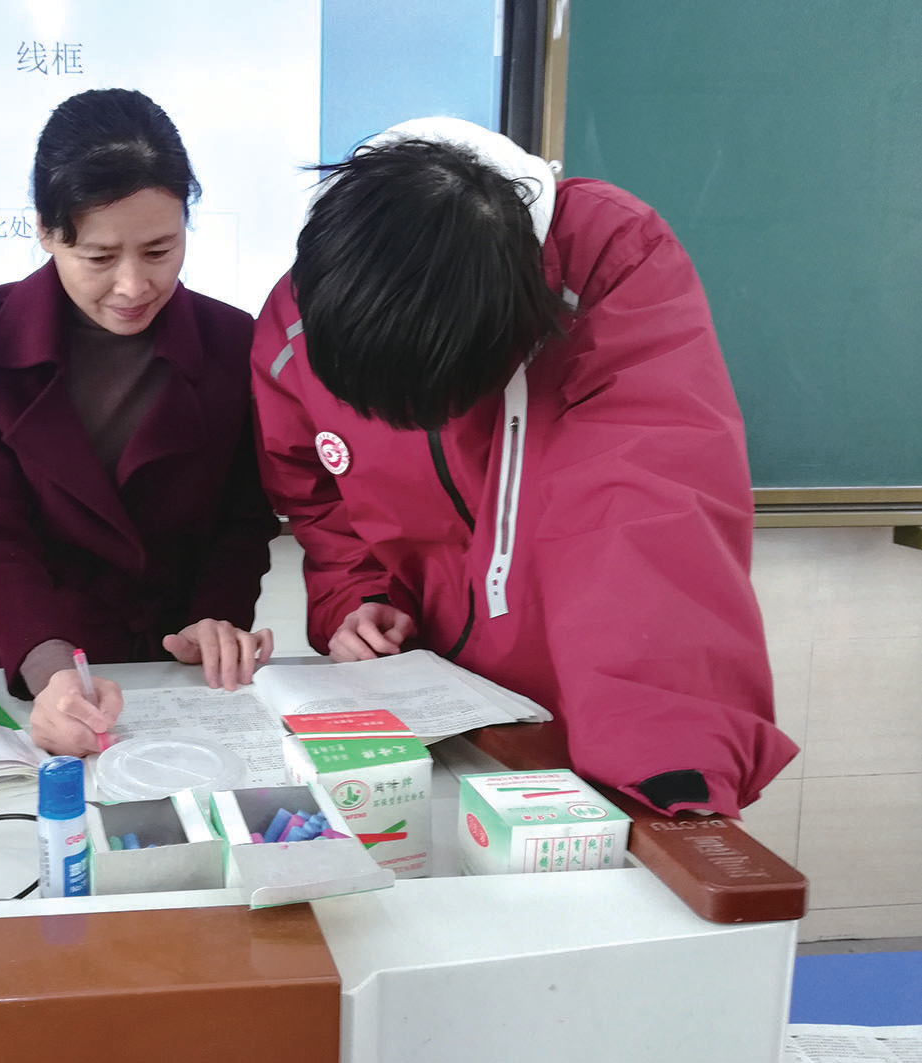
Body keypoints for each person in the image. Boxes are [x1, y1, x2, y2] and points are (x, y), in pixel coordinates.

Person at [250, 117, 798, 818]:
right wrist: (357, 600)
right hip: (425, 700)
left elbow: (648, 512)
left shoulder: (610, 264)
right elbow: (319, 498)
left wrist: (668, 751)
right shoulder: (312, 304)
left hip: (583, 704)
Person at [0, 88, 278, 757]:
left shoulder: (235, 345)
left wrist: (216, 619)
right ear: (46, 231)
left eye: (159, 250)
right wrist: (47, 666)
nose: (132, 285)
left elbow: (243, 519)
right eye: (98, 257)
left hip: (173, 667)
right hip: (23, 659)